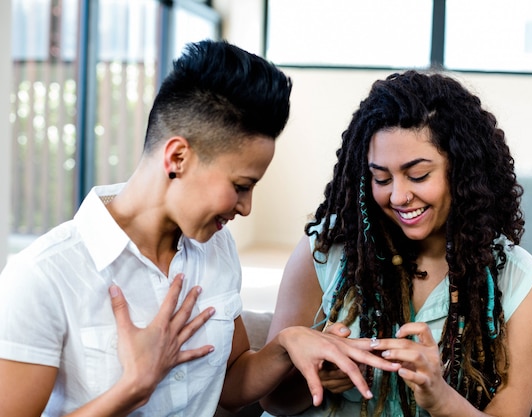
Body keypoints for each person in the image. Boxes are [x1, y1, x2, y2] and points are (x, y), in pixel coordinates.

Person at [0, 39, 400, 417]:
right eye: (241, 186)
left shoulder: (216, 249)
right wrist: (134, 387)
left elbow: (229, 383)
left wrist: (284, 347)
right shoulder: (42, 277)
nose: (246, 207)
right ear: (177, 157)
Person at [260, 70, 532, 417]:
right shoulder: (326, 250)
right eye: (381, 177)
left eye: (418, 176)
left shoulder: (517, 279)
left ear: (462, 172)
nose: (398, 196)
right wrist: (318, 379)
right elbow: (272, 401)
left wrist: (440, 396)